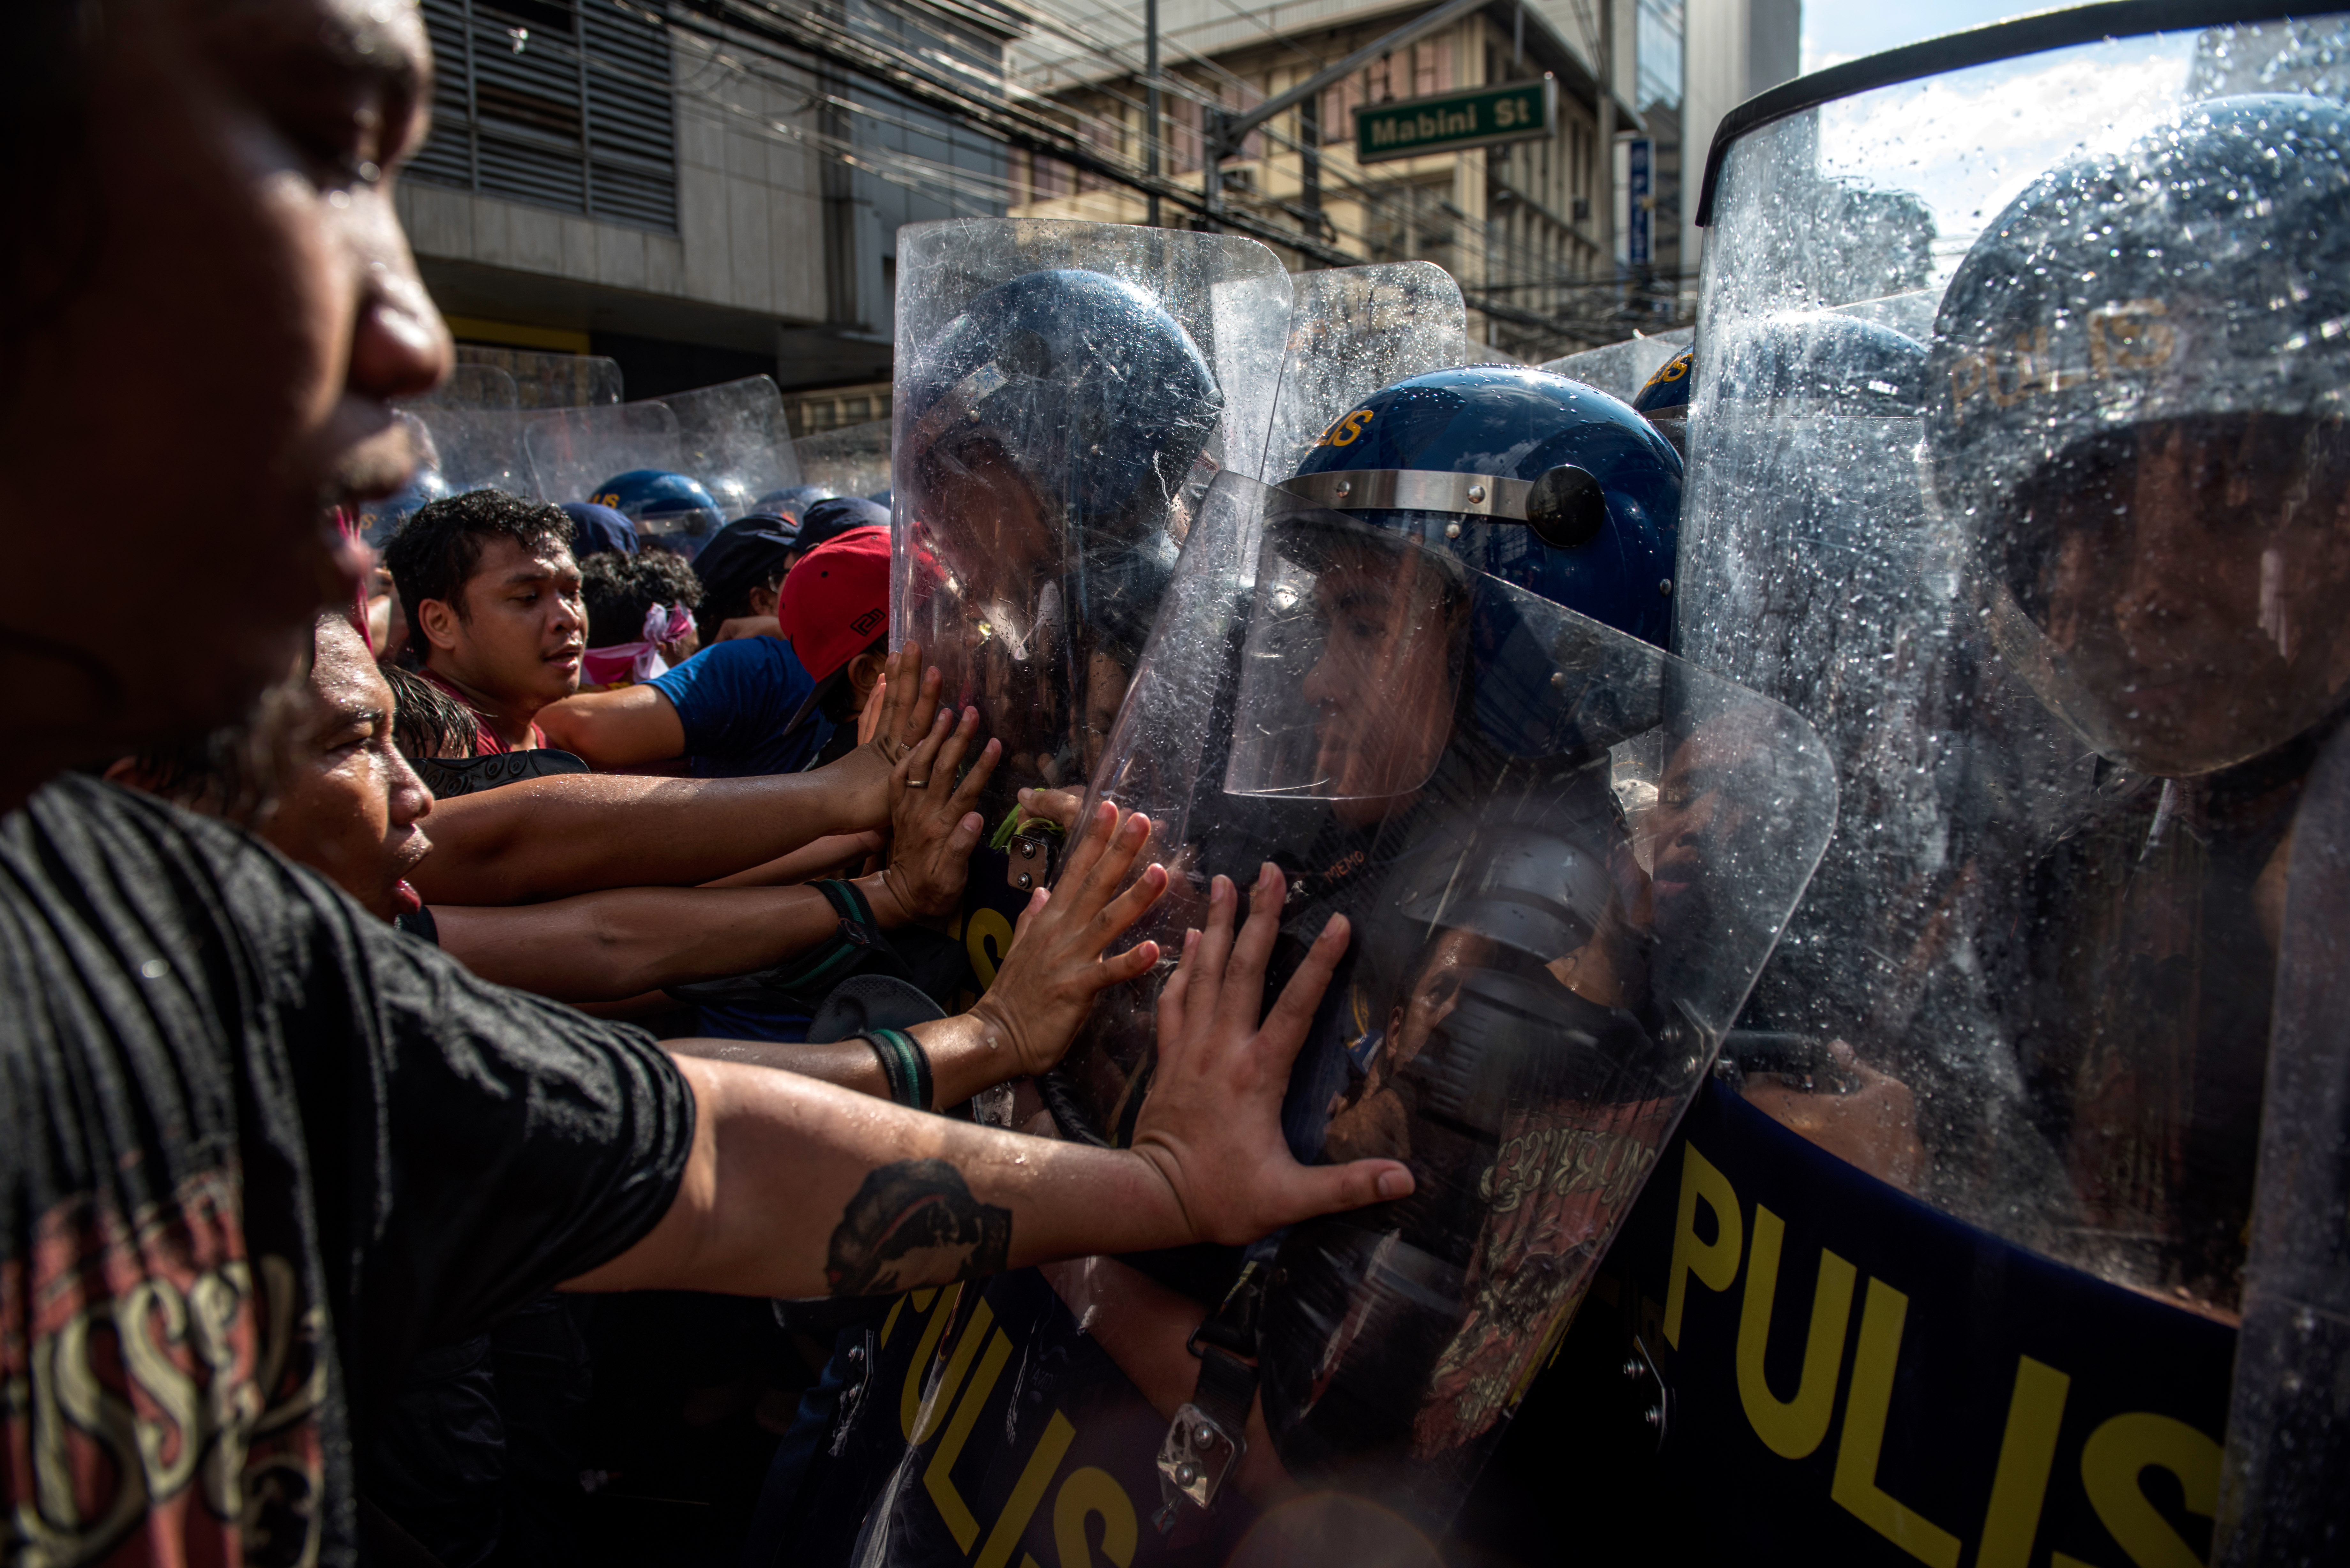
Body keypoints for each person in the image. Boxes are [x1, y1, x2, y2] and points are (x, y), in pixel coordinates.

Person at [0, 11, 1412, 1568]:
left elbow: (710, 1152)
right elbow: (565, 888)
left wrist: (1139, 1171)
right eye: (316, 153)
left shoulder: (170, 930)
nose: (412, 331)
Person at [536, 525, 889, 777]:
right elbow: (572, 726)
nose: (945, 636)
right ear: (868, 675)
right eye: (931, 620)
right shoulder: (753, 668)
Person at [383, 489, 585, 753]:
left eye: (572, 594)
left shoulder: (531, 733)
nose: (569, 618)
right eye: (528, 597)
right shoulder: (434, 741)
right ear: (441, 623)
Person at [578, 547, 702, 690]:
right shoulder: (669, 709)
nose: (698, 665)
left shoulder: (557, 696)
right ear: (660, 651)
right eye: (693, 654)